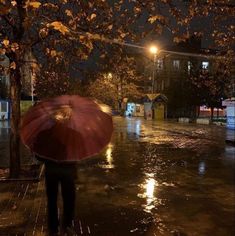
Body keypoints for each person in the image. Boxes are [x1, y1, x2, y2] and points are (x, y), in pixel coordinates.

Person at [34, 125, 77, 235]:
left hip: (51, 170)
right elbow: (79, 152)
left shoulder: (45, 133)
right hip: (68, 170)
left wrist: (47, 157)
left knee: (52, 200)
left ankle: (53, 228)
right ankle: (66, 225)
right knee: (69, 199)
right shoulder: (73, 133)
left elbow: (38, 155)